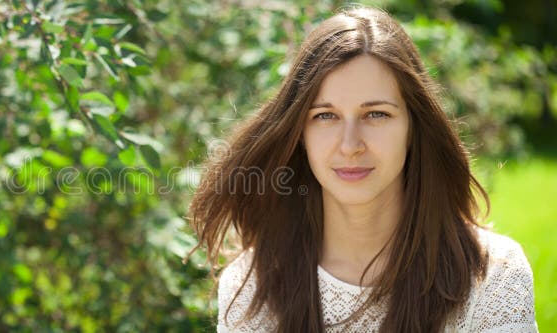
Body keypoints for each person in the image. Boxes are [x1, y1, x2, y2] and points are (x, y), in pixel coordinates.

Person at [187, 6, 537, 332]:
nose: (350, 144)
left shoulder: (493, 276)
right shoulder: (252, 285)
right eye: (325, 116)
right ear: (300, 134)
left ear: (413, 128)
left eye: (376, 114)